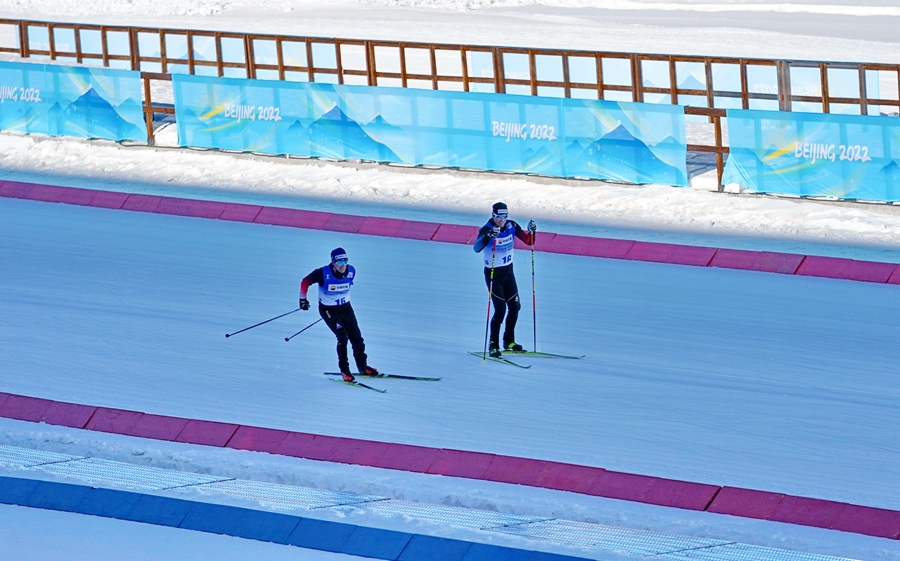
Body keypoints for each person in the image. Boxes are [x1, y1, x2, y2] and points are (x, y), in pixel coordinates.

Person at [299, 247, 378, 382]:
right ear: (333, 262)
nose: (343, 265)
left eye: (345, 261)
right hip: (329, 310)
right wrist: (303, 299)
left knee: (357, 338)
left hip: (346, 308)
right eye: (339, 262)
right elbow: (305, 282)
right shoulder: (322, 273)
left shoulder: (351, 271)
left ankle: (362, 366)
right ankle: (345, 370)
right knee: (342, 337)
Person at [473, 202, 537, 358]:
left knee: (515, 307)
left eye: (504, 216)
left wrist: (532, 232)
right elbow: (476, 247)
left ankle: (509, 341)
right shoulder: (487, 229)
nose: (502, 220)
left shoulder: (511, 225)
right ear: (493, 215)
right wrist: (489, 236)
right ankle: (493, 345)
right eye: (499, 217)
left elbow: (529, 241)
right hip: (493, 274)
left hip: (508, 272)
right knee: (500, 310)